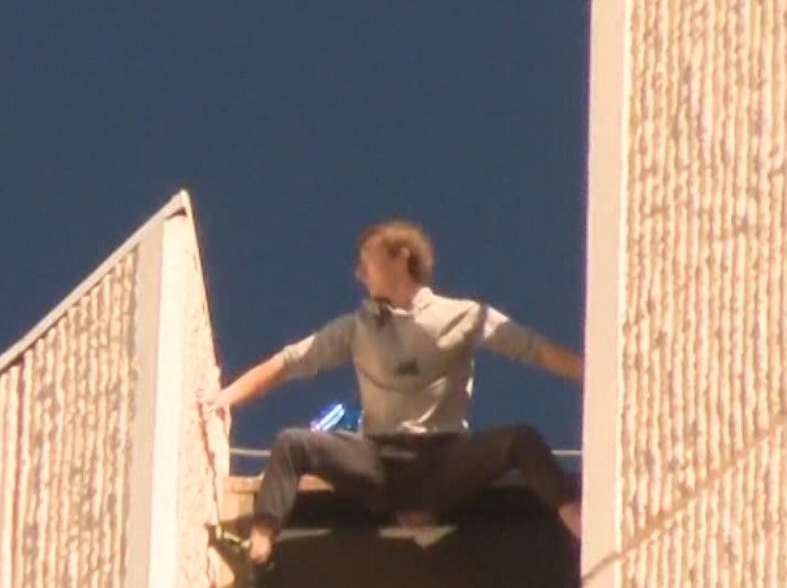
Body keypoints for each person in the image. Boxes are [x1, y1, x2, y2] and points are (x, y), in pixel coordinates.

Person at [200, 219, 585, 566]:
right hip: (378, 464)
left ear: (401, 258)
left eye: (367, 260)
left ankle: (578, 522)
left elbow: (534, 349)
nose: (359, 273)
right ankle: (259, 546)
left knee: (520, 439)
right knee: (292, 443)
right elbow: (289, 362)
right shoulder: (358, 328)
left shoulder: (463, 316)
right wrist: (227, 397)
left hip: (442, 461)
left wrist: (596, 374)